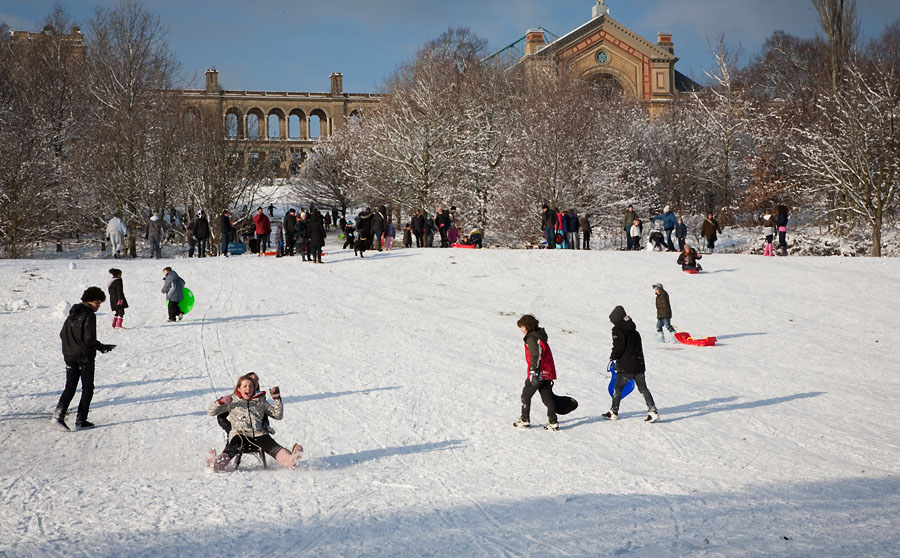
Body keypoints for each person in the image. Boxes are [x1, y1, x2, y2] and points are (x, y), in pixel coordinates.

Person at [207, 374, 302, 471]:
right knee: (233, 447)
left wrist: (277, 399)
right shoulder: (232, 400)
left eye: (250, 386)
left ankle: (289, 461)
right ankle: (217, 464)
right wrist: (221, 401)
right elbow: (211, 412)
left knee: (272, 445)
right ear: (239, 388)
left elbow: (277, 415)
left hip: (259, 434)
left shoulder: (260, 401)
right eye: (245, 386)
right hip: (240, 434)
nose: (248, 388)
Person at [52, 287, 115, 431]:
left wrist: (70, 349)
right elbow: (89, 339)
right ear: (88, 301)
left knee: (70, 386)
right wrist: (101, 347)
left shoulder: (72, 314)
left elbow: (62, 334)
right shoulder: (89, 315)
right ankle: (81, 420)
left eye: (100, 303)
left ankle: (58, 415)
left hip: (69, 356)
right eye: (96, 302)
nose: (98, 305)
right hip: (84, 357)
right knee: (88, 388)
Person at [603, 305, 659, 422]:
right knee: (643, 388)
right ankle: (652, 411)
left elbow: (619, 347)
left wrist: (613, 357)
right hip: (638, 365)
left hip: (626, 366)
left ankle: (614, 412)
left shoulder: (618, 330)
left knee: (617, 388)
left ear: (617, 318)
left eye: (612, 320)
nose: (611, 322)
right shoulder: (634, 331)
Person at [512, 314, 559, 431]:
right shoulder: (539, 335)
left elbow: (535, 355)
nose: (521, 330)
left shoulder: (532, 338)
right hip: (546, 371)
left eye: (522, 327)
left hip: (539, 371)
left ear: (527, 326)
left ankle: (524, 420)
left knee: (526, 394)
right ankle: (553, 422)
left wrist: (533, 372)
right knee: (547, 397)